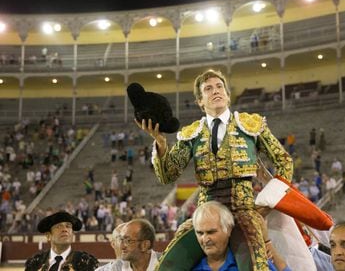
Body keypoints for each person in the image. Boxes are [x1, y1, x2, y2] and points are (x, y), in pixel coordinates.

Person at [137, 70, 293, 270]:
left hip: (244, 211)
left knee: (255, 266)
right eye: (208, 89)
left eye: (219, 87)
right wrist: (160, 143)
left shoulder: (250, 124)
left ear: (227, 95)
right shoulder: (191, 133)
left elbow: (284, 161)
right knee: (167, 265)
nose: (215, 91)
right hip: (205, 214)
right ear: (200, 101)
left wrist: (268, 202)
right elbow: (168, 175)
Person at [192, 201, 290, 271]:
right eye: (200, 233)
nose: (204, 239)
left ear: (228, 229)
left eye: (211, 232)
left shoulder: (250, 261)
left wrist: (267, 243)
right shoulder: (190, 267)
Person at [24, 211, 99, 271]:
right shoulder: (35, 263)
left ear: (72, 234)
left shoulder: (85, 262)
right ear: (48, 236)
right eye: (58, 227)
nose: (64, 229)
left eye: (68, 226)